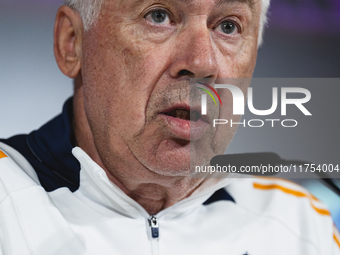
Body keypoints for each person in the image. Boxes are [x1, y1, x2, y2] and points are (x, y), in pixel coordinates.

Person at [0, 0, 339, 254]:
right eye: (158, 15)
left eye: (228, 26)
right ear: (72, 42)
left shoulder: (301, 226)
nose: (202, 63)